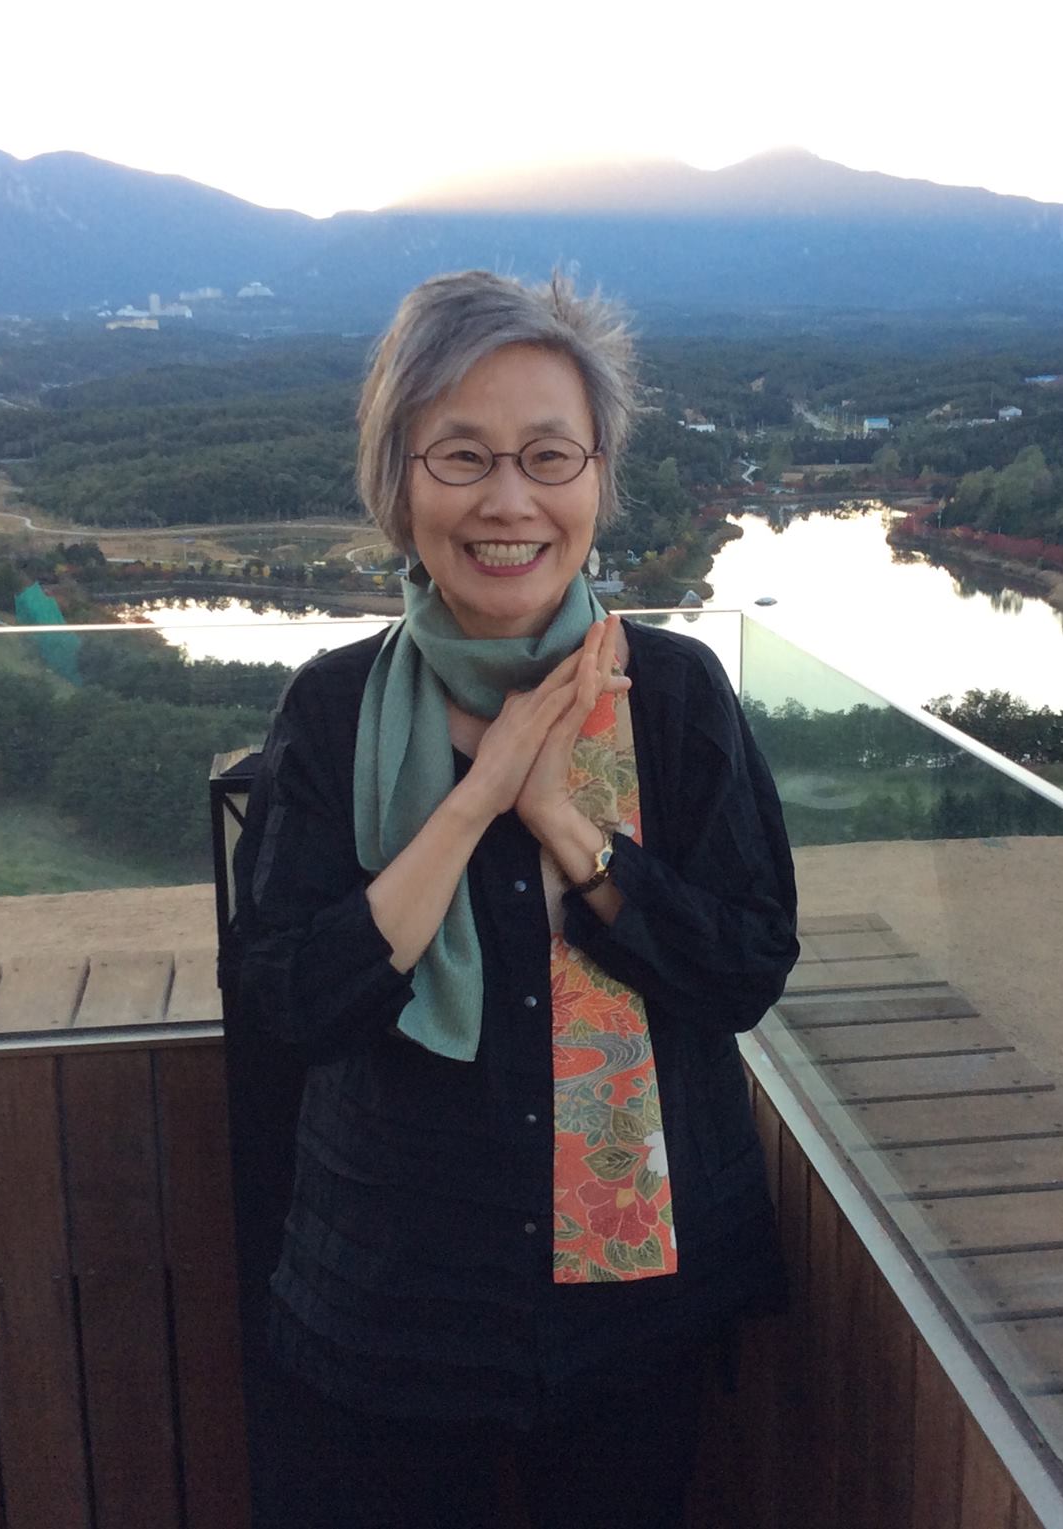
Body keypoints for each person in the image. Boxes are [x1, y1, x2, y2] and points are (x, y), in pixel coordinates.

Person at [230, 269, 798, 1529]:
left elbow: (744, 967)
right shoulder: (332, 710)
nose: (507, 500)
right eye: (462, 456)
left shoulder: (675, 694)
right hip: (393, 1307)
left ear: (596, 477)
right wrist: (477, 796)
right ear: (400, 482)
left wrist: (567, 825)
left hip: (636, 1308)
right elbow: (289, 999)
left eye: (548, 456)